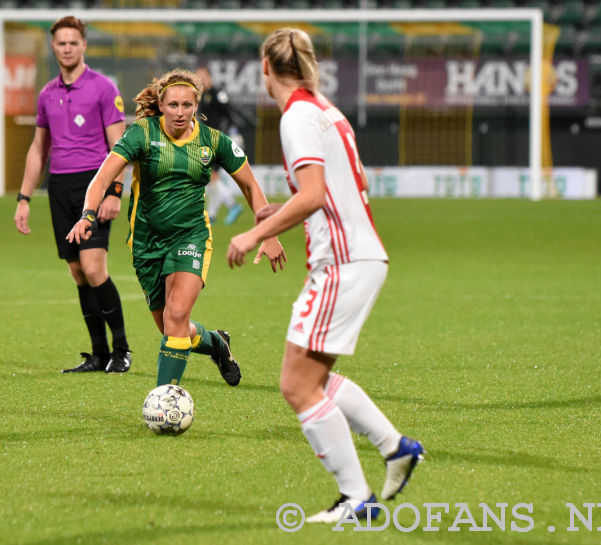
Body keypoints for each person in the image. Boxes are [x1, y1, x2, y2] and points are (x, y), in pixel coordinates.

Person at [227, 28, 424, 523]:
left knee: (297, 385)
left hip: (343, 262)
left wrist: (255, 234)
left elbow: (314, 195)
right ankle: (395, 448)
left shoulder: (296, 118)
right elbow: (330, 190)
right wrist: (278, 210)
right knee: (313, 377)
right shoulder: (324, 109)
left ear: (265, 67)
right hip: (357, 256)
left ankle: (357, 498)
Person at [67, 68, 286, 387]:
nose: (180, 112)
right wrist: (88, 215)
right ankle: (217, 344)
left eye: (187, 105)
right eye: (173, 105)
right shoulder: (142, 133)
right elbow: (102, 178)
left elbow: (251, 186)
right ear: (161, 104)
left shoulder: (213, 141)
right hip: (145, 244)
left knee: (177, 317)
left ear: (197, 105)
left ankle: (164, 398)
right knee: (173, 328)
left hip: (191, 238)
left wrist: (269, 233)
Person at [14, 16, 131, 374]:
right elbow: (38, 149)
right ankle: (97, 355)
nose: (67, 48)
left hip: (93, 186)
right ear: (54, 47)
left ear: (84, 46)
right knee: (78, 272)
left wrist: (114, 193)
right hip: (60, 188)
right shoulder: (47, 94)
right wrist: (23, 198)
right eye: (61, 43)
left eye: (73, 42)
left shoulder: (103, 88)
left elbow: (121, 147)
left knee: (95, 269)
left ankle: (121, 350)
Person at [197, 66, 243, 226]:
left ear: (209, 77)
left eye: (203, 75)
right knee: (211, 177)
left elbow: (229, 114)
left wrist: (231, 134)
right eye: (198, 76)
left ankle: (232, 205)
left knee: (211, 175)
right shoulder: (202, 96)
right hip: (208, 140)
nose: (200, 79)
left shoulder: (218, 94)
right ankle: (214, 215)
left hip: (219, 139)